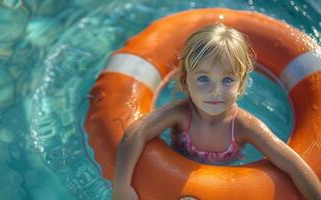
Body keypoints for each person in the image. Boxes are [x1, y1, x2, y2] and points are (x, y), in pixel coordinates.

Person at [111, 23, 321, 200]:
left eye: (227, 80)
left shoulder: (244, 126)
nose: (215, 91)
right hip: (171, 178)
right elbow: (134, 133)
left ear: (240, 85)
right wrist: (121, 187)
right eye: (203, 79)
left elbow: (292, 163)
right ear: (185, 80)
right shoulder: (181, 113)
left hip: (224, 186)